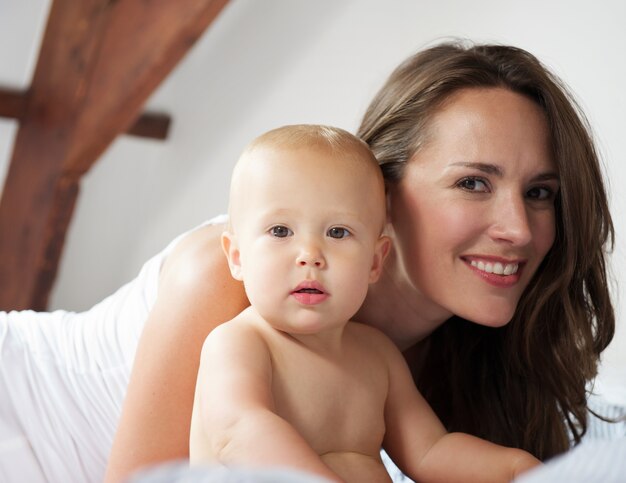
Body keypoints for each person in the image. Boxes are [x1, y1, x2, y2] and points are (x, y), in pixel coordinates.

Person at [0, 40, 615, 483]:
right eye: (474, 184)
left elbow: (436, 455)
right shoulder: (234, 280)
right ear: (385, 193)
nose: (518, 229)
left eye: (540, 193)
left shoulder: (433, 354)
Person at [189, 124, 541, 482]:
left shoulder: (377, 356)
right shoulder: (240, 343)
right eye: (281, 231)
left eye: (338, 232)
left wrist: (514, 468)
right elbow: (239, 433)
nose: (310, 255)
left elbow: (430, 451)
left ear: (375, 261)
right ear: (236, 256)